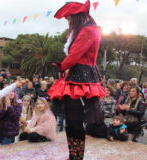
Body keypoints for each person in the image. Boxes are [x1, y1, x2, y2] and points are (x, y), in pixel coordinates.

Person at [49, 1, 105, 159]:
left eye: (69, 18)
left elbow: (75, 55)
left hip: (82, 78)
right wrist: (64, 67)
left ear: (77, 17)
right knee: (71, 121)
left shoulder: (89, 30)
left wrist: (62, 66)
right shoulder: (82, 30)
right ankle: (73, 155)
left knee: (76, 121)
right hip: (74, 76)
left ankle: (76, 157)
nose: (68, 21)